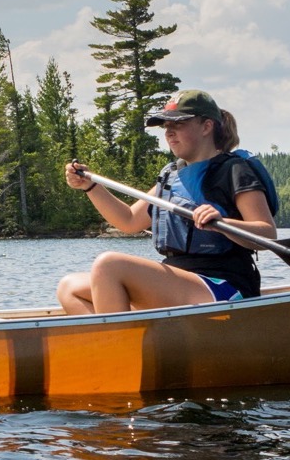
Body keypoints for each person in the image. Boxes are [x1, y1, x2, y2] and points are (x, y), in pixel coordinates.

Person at [56, 89, 277, 315]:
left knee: (108, 265)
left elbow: (267, 234)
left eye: (178, 124)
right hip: (180, 280)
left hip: (224, 286)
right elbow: (129, 221)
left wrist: (224, 223)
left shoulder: (234, 170)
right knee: (70, 287)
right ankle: (124, 343)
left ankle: (121, 345)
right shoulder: (171, 175)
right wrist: (90, 187)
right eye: (166, 127)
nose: (169, 133)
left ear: (206, 126)